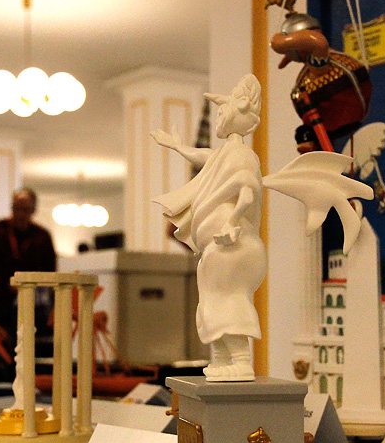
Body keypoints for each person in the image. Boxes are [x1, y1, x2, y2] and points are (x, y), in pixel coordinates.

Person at [151, 74, 369, 381]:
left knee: (226, 301)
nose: (219, 116)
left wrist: (231, 222)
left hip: (234, 246)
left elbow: (248, 190)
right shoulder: (225, 155)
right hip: (219, 248)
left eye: (223, 111)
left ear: (241, 116)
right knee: (211, 302)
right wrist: (176, 146)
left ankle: (241, 361)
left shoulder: (242, 156)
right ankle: (224, 360)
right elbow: (203, 157)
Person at [0, 187, 57, 337]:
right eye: (17, 208)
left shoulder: (42, 237)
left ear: (33, 210)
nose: (21, 214)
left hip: (32, 304)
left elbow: (50, 274)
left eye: (25, 209)